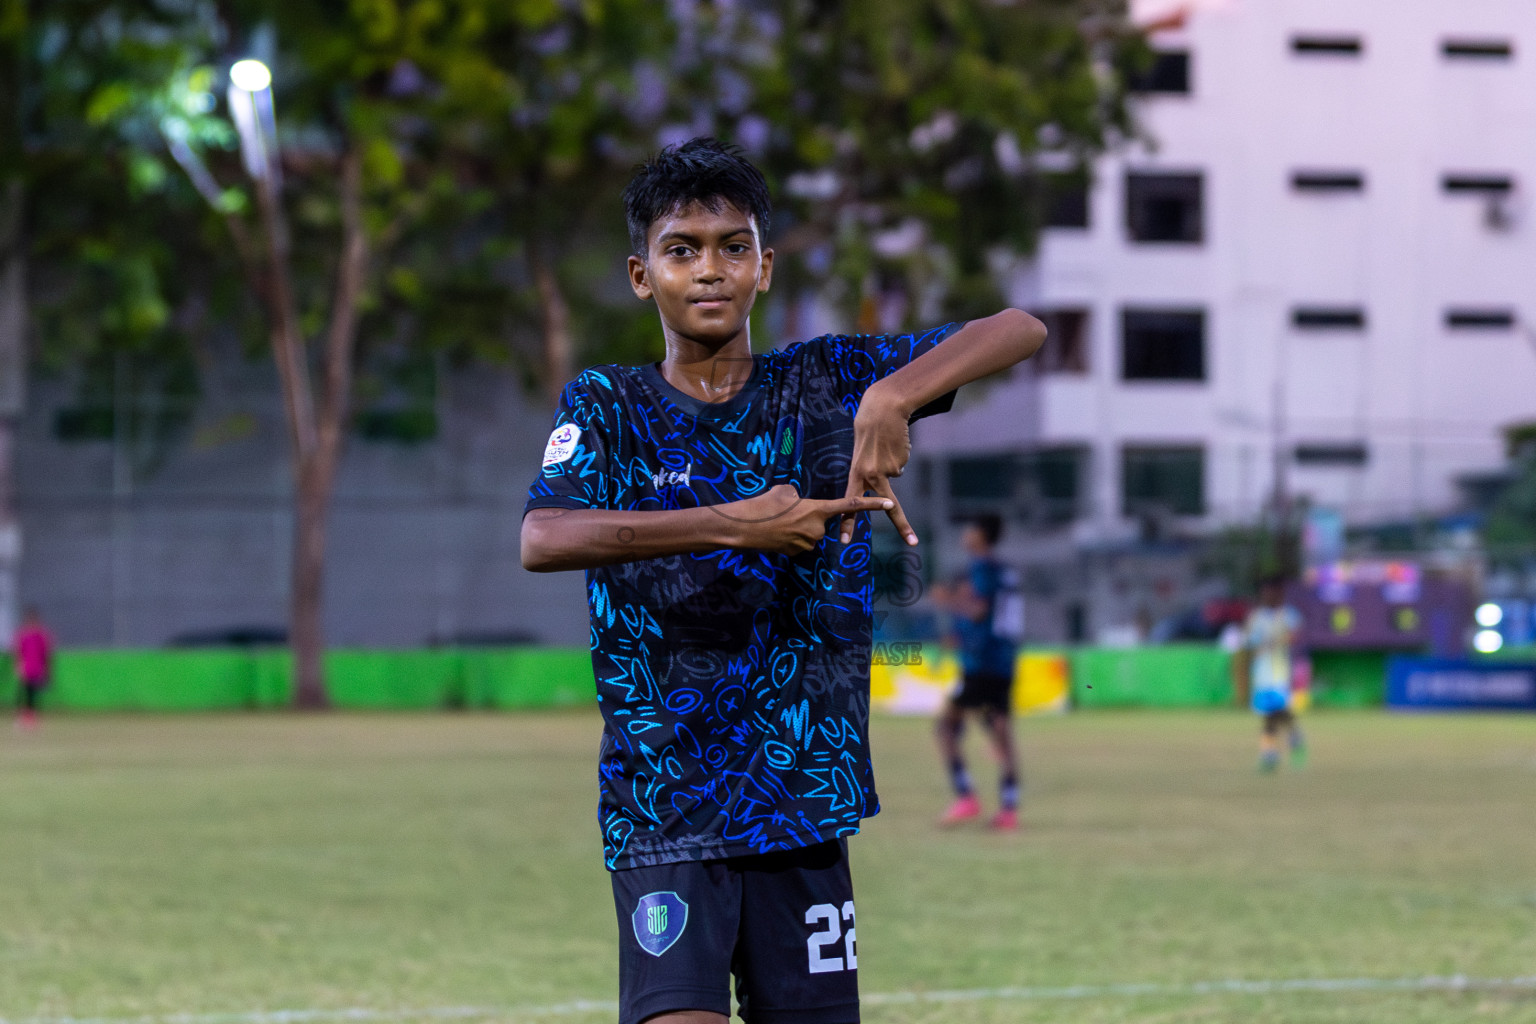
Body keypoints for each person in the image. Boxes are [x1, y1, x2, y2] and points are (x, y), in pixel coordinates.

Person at [520, 138, 1045, 1024]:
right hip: (665, 800)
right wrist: (733, 521)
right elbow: (543, 536)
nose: (710, 269)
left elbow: (1018, 328)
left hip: (802, 797)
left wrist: (892, 397)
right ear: (643, 276)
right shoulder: (607, 405)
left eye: (734, 246)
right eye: (681, 248)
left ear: (765, 266)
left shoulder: (828, 380)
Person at [931, 515, 1023, 830]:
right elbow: (995, 617)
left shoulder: (982, 568)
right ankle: (1009, 808)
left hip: (982, 663)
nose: (965, 534)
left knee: (945, 727)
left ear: (981, 535)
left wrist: (948, 600)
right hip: (1003, 660)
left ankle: (966, 796)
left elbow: (979, 610)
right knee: (999, 730)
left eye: (969, 529)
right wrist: (960, 634)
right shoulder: (1004, 570)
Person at [1243, 575, 1305, 772]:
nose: (1267, 595)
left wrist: (1282, 639)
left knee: (1277, 709)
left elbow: (1295, 634)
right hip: (1262, 670)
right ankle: (1275, 749)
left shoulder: (1287, 615)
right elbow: (1250, 640)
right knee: (1268, 713)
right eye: (1264, 592)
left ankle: (1286, 742)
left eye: (1271, 592)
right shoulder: (1257, 617)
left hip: (1279, 669)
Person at [13, 606, 53, 731]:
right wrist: (18, 666)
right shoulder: (23, 635)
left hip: (37, 668)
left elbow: (45, 653)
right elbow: (19, 652)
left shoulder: (41, 635)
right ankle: (25, 717)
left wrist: (46, 668)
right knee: (24, 693)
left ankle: (31, 718)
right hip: (26, 669)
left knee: (33, 694)